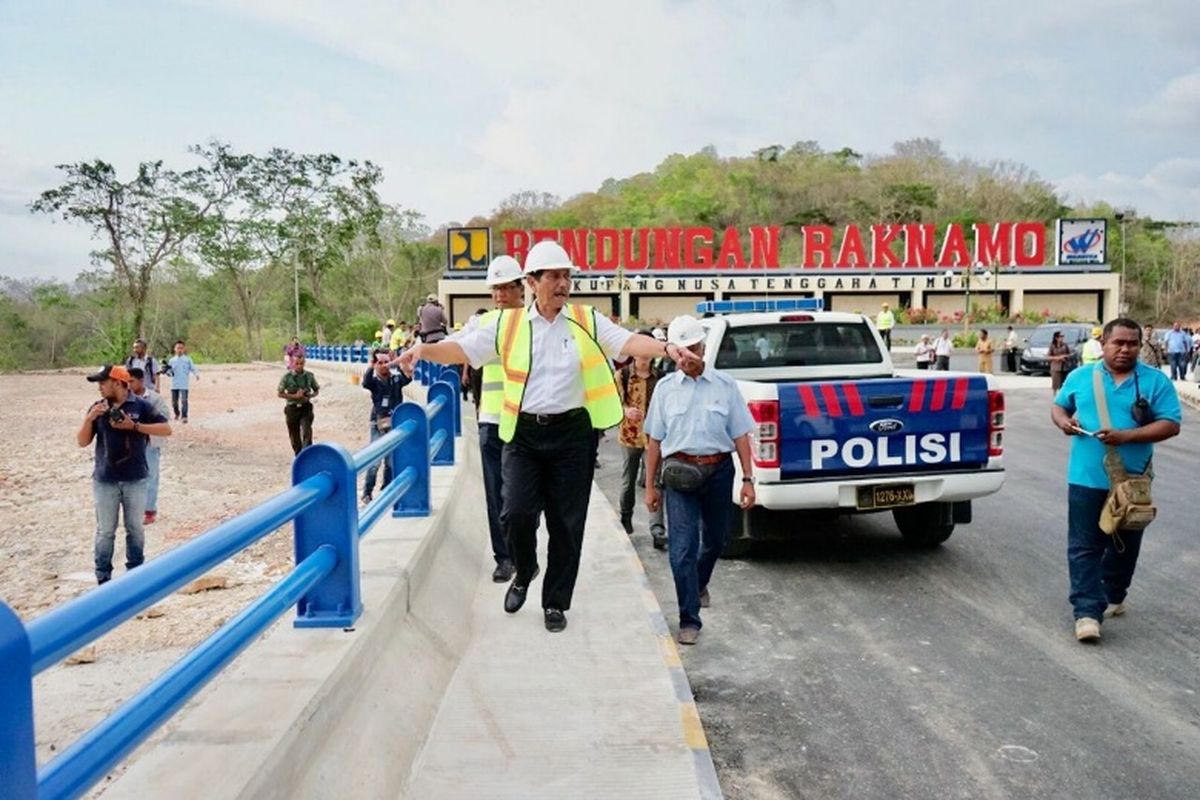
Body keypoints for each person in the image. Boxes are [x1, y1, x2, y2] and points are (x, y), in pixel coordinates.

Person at [395, 240, 693, 633]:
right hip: (523, 434)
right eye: (553, 276)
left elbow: (625, 341)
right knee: (515, 512)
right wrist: (422, 350)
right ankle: (525, 568)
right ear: (532, 282)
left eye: (567, 275)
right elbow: (463, 349)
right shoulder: (507, 324)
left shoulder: (584, 320)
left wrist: (668, 348)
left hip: (572, 436)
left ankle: (555, 602)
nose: (562, 283)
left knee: (567, 525)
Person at [1050, 318, 1181, 642]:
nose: (1125, 349)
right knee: (1084, 546)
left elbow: (1171, 423)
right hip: (1085, 478)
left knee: (1125, 544)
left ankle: (1115, 593)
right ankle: (1086, 614)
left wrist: (1128, 435)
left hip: (1133, 481)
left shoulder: (1154, 382)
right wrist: (1064, 421)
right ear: (1103, 344)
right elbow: (1058, 407)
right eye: (1118, 343)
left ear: (1139, 345)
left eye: (1132, 344)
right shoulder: (1081, 377)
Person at [644, 315, 756, 646]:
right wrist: (650, 487)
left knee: (717, 540)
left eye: (694, 349)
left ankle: (698, 583)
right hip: (679, 474)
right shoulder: (664, 390)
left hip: (719, 472)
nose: (689, 357)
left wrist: (748, 479)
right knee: (682, 548)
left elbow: (740, 435)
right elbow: (654, 442)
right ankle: (688, 617)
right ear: (674, 352)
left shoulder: (726, 386)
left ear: (703, 348)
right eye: (683, 351)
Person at [456, 256, 524, 582]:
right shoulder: (481, 324)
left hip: (526, 421)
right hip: (492, 420)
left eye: (505, 288)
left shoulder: (533, 321)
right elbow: (455, 344)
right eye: (495, 289)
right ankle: (505, 557)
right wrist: (421, 350)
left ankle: (523, 550)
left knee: (522, 498)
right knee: (495, 493)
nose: (499, 295)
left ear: (520, 288)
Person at [77, 365, 171, 584]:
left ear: (118, 383)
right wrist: (89, 419)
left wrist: (134, 426)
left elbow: (166, 429)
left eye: (103, 382)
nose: (100, 387)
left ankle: (135, 575)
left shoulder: (141, 406)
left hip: (135, 478)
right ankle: (103, 578)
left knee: (135, 529)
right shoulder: (97, 408)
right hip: (105, 479)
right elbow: (82, 441)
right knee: (105, 531)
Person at [617, 339, 667, 549]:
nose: (644, 357)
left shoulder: (661, 379)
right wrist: (625, 411)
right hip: (630, 435)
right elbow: (611, 402)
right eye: (640, 352)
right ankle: (625, 517)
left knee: (655, 481)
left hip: (654, 437)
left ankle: (657, 530)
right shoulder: (623, 375)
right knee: (629, 479)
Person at [360, 348, 410, 502]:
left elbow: (408, 377)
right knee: (375, 459)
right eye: (380, 363)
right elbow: (365, 382)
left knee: (390, 459)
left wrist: (400, 361)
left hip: (394, 422)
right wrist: (370, 366)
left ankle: (386, 489)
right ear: (375, 364)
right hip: (378, 422)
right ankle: (367, 492)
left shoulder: (396, 380)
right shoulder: (374, 383)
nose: (383, 366)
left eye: (386, 362)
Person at [127, 367, 171, 525]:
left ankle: (149, 510)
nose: (129, 385)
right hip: (131, 443)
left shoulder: (154, 398)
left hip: (150, 442)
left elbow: (165, 417)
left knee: (151, 476)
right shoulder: (125, 399)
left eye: (131, 381)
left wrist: (143, 422)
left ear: (141, 380)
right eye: (126, 382)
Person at [277, 354, 319, 455]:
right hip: (292, 408)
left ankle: (306, 455)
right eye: (297, 363)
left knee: (307, 431)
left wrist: (310, 395)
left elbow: (316, 390)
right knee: (294, 435)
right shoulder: (287, 377)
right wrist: (295, 396)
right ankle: (298, 455)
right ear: (292, 364)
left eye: (301, 363)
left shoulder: (309, 376)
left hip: (305, 407)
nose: (299, 366)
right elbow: (280, 393)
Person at [166, 340, 200, 423]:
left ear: (184, 349)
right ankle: (177, 413)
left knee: (184, 400)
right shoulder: (171, 360)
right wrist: (167, 372)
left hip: (184, 384)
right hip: (174, 384)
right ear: (174, 349)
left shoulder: (187, 360)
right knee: (174, 402)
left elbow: (193, 368)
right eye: (178, 348)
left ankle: (184, 416)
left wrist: (196, 374)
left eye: (181, 348)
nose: (180, 350)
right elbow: (169, 372)